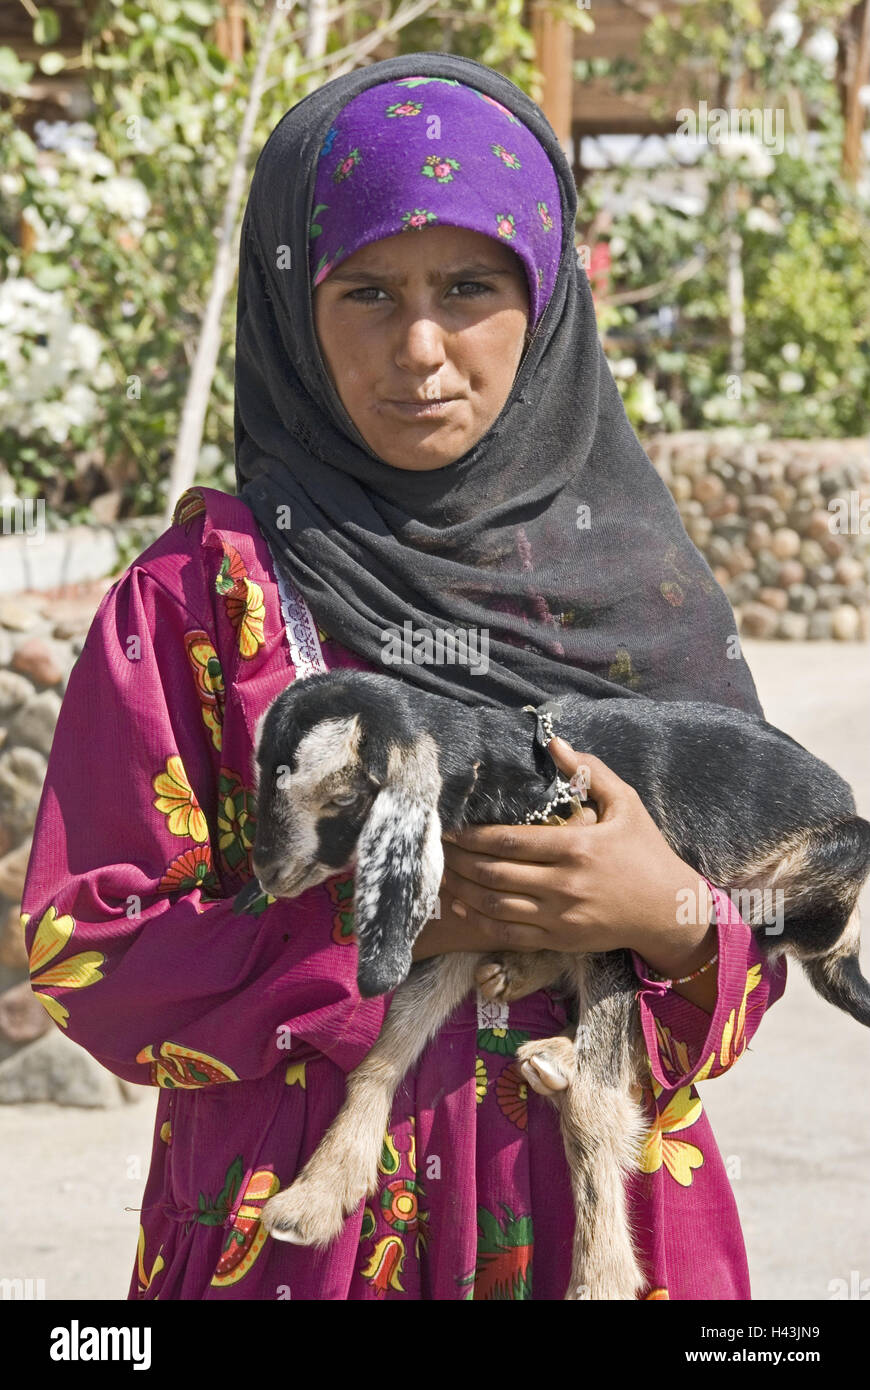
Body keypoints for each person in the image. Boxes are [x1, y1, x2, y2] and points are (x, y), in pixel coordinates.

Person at [21, 52, 786, 1301]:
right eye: (365, 291)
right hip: (304, 1240)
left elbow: (762, 935)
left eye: (471, 286)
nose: (420, 347)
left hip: (603, 1234)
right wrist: (390, 930)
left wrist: (663, 912)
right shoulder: (201, 601)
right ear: (289, 308)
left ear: (545, 299)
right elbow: (85, 946)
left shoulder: (650, 595)